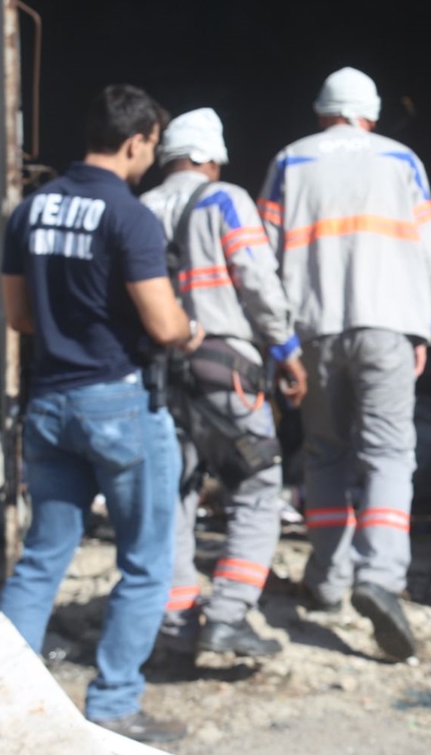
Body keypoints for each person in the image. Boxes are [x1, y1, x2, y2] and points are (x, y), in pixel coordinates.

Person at [0, 84, 203, 743]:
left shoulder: (29, 209)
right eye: (152, 144)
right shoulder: (129, 215)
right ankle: (113, 705)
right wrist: (189, 330)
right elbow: (164, 323)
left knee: (41, 556)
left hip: (50, 401)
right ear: (137, 139)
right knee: (145, 560)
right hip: (119, 402)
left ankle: (2, 697)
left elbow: (20, 317)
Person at [258, 67, 431, 661]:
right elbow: (430, 252)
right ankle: (380, 576)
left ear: (322, 113)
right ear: (371, 113)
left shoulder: (292, 160)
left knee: (325, 452)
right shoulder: (401, 160)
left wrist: (278, 340)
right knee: (388, 453)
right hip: (389, 325)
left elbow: (263, 255)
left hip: (314, 330)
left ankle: (328, 581)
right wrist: (423, 326)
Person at [140, 108, 308, 657]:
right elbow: (257, 279)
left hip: (162, 375)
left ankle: (176, 619)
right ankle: (229, 613)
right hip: (226, 369)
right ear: (210, 157)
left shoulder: (140, 208)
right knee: (258, 487)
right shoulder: (225, 199)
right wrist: (285, 348)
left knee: (175, 491)